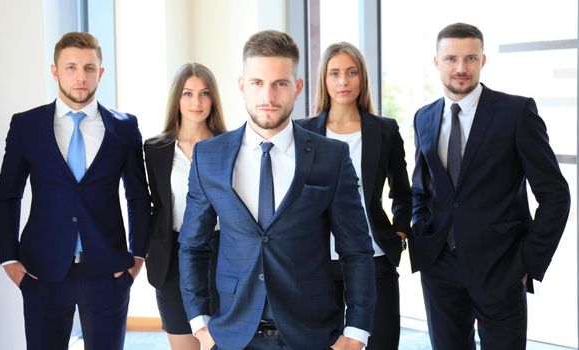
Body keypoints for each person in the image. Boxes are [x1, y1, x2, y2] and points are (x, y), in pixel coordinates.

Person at [178, 30, 376, 350]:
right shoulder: (209, 156)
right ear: (242, 86)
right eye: (257, 83)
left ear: (297, 88)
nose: (268, 97)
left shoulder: (331, 157)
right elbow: (192, 246)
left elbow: (357, 250)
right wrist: (200, 323)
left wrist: (355, 332)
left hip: (311, 334)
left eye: (280, 83)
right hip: (232, 334)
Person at [410, 22, 571, 349]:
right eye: (451, 58)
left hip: (501, 268)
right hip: (440, 269)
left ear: (482, 61)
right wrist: (420, 229)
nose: (460, 68)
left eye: (470, 58)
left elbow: (555, 194)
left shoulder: (516, 112)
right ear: (436, 62)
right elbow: (422, 188)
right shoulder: (423, 117)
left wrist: (528, 263)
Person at [0, 32, 150, 350]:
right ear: (55, 71)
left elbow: (138, 196)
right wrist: (9, 259)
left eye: (89, 68)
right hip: (41, 273)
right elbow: (9, 195)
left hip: (108, 273)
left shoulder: (124, 127)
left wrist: (137, 257)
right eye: (71, 67)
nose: (81, 77)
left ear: (100, 73)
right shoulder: (27, 125)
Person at [297, 42, 411, 350]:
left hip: (374, 258)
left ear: (362, 78)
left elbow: (403, 192)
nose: (343, 82)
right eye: (334, 74)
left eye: (351, 73)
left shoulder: (385, 130)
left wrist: (399, 233)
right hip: (319, 260)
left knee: (382, 341)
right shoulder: (303, 132)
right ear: (324, 79)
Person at [144, 62, 226, 350]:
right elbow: (155, 207)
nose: (196, 102)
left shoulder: (230, 145)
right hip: (173, 260)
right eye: (188, 94)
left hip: (221, 256)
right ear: (177, 99)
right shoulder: (155, 149)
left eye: (204, 94)